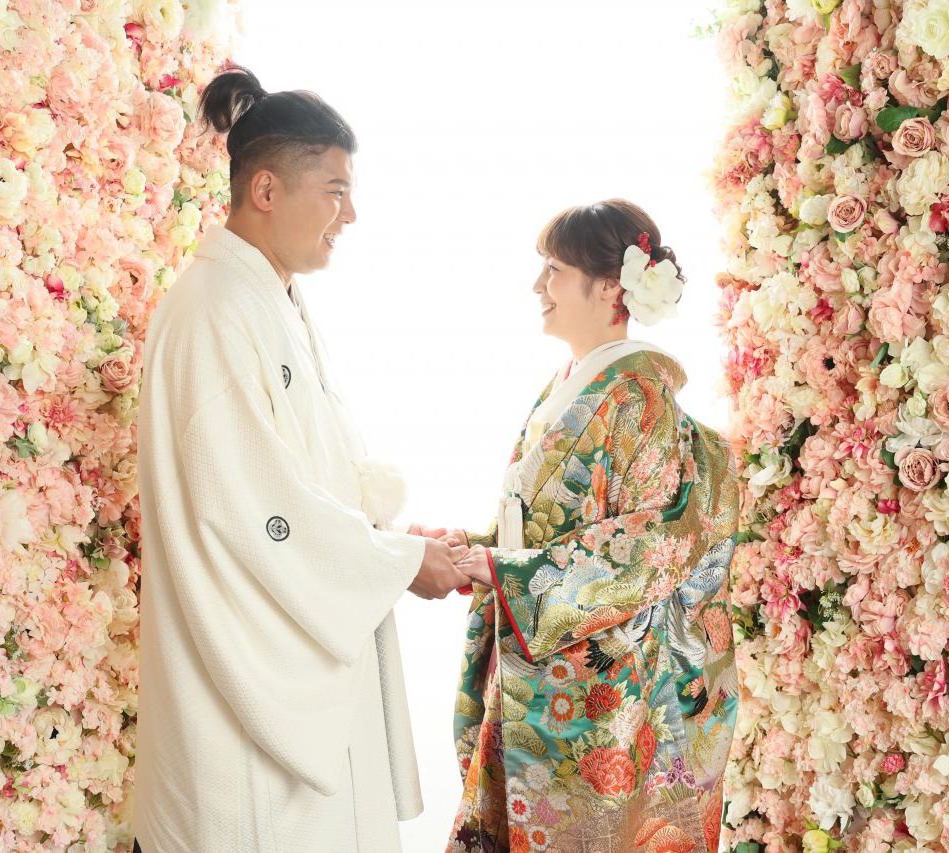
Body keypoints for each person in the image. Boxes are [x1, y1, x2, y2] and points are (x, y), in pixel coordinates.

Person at [132, 65, 471, 853]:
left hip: (295, 647)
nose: (350, 215)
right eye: (335, 191)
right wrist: (396, 563)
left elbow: (308, 473)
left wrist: (389, 540)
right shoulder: (214, 309)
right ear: (266, 190)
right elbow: (256, 508)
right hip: (243, 689)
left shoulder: (269, 298)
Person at [441, 201, 740, 852]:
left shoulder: (638, 395)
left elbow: (652, 546)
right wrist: (479, 548)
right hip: (543, 661)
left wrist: (505, 570)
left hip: (599, 685)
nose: (538, 286)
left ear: (610, 287)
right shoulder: (575, 382)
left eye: (553, 270)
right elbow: (545, 521)